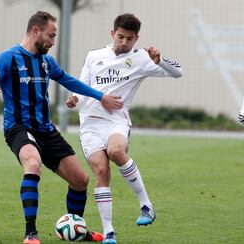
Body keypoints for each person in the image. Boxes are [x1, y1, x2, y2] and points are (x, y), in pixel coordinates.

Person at [0, 11, 123, 244]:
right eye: (51, 35)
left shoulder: (47, 62)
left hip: (46, 130)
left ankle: (76, 228)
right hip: (18, 128)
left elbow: (69, 80)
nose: (53, 42)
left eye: (55, 37)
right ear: (36, 31)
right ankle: (31, 234)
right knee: (33, 164)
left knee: (80, 180)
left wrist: (101, 96)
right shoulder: (7, 58)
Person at [66, 13, 183, 244]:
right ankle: (109, 232)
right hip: (89, 123)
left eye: (129, 39)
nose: (124, 42)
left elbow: (179, 71)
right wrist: (74, 99)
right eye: (120, 37)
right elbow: (81, 85)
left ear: (136, 39)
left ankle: (146, 205)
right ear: (112, 33)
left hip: (116, 121)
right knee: (101, 172)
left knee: (116, 152)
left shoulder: (142, 59)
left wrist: (159, 60)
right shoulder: (94, 56)